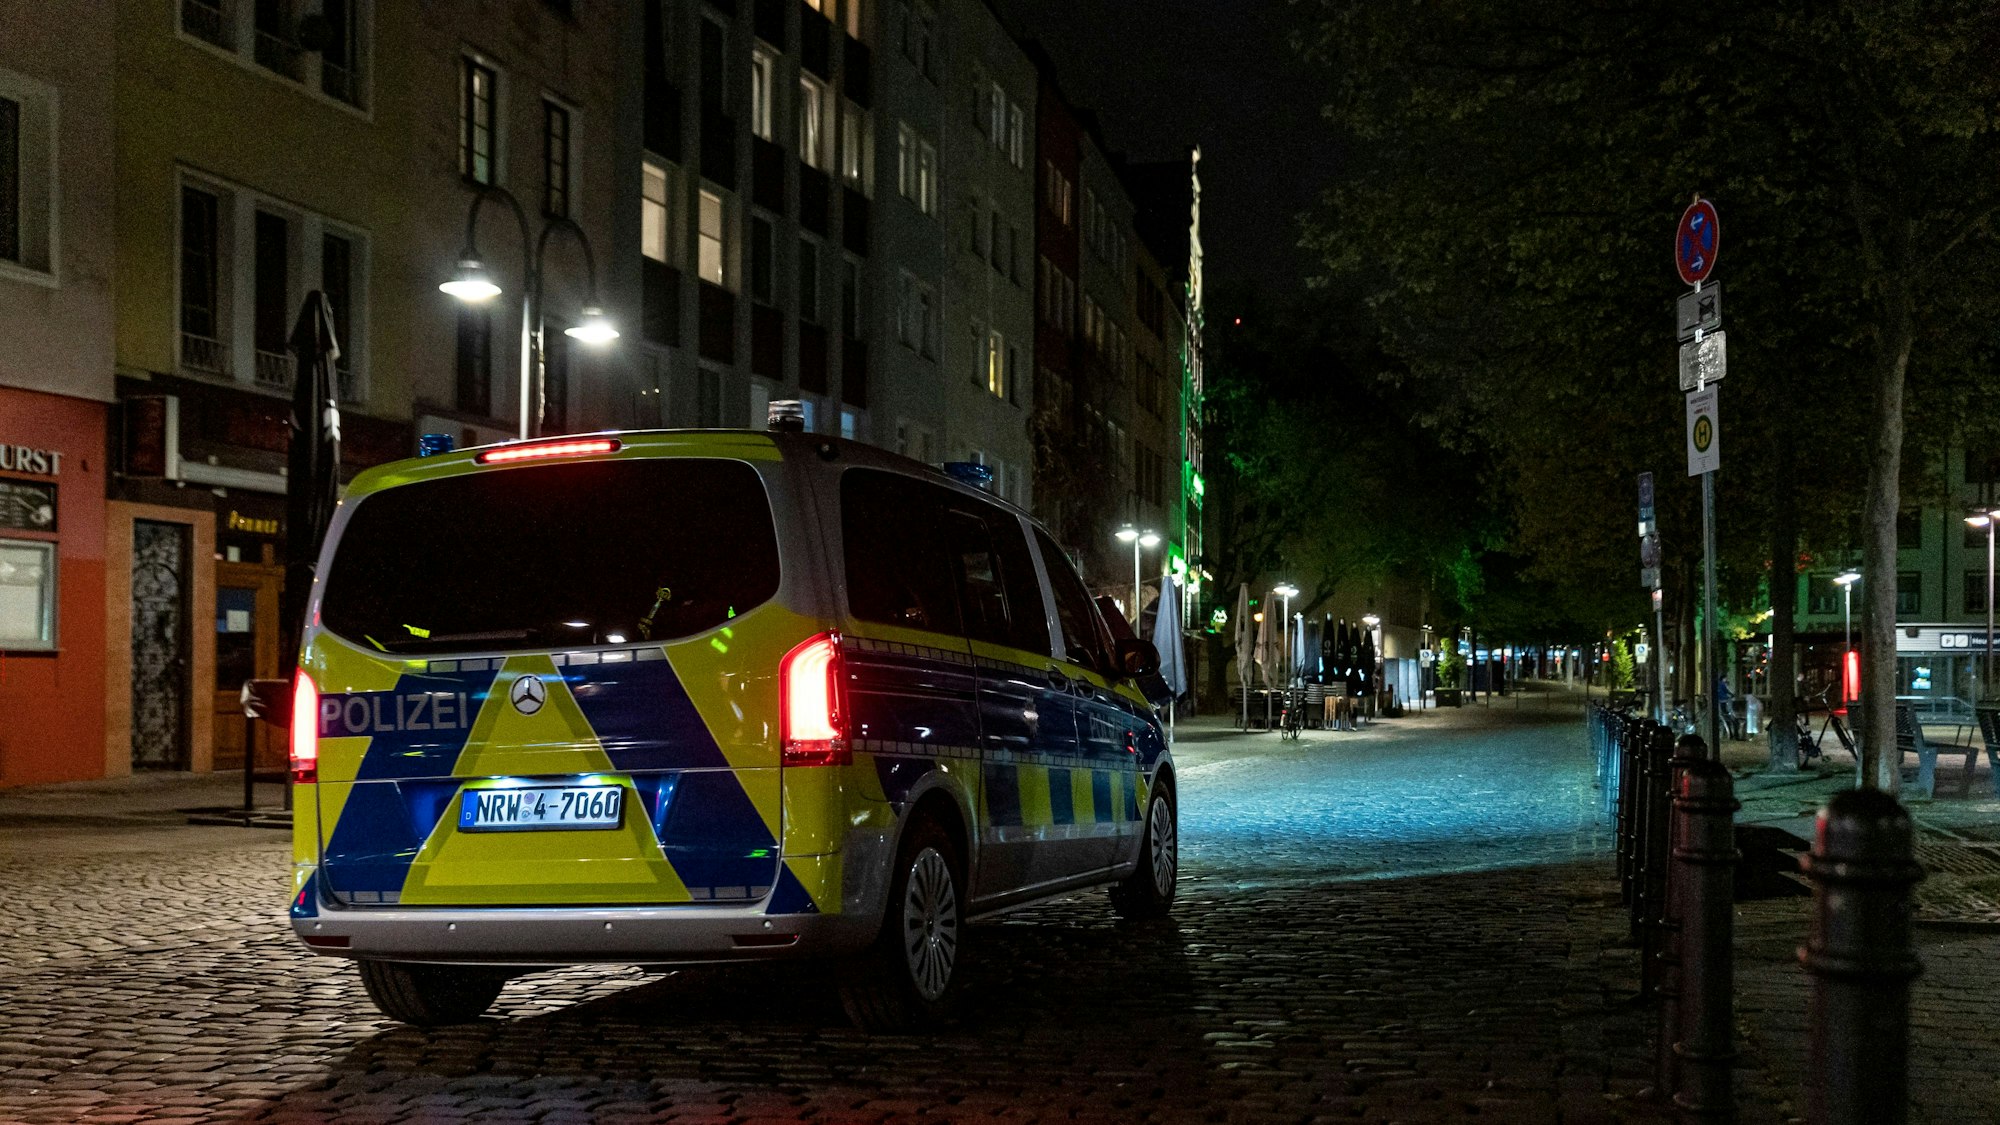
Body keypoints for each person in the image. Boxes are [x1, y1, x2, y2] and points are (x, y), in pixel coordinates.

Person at [1714, 674, 1739, 740]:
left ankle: (1730, 734)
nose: (1726, 680)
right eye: (1726, 678)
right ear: (1723, 678)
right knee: (1731, 719)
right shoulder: (1722, 684)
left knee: (1727, 717)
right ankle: (1735, 735)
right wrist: (1731, 695)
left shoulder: (1718, 684)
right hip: (1724, 701)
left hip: (1722, 701)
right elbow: (1726, 691)